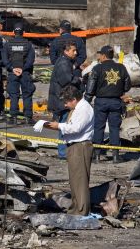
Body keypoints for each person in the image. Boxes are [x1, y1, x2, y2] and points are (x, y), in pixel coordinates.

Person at [43, 85, 94, 216]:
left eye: (66, 102)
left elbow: (75, 128)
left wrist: (57, 126)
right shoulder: (78, 108)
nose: (65, 105)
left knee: (80, 181)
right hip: (74, 146)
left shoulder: (84, 109)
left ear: (73, 99)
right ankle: (76, 208)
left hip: (80, 146)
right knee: (75, 180)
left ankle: (82, 211)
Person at [85, 46, 131, 163]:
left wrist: (86, 101)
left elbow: (90, 88)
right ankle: (115, 156)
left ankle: (97, 156)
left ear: (104, 56)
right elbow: (127, 85)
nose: (99, 57)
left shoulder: (97, 68)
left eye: (100, 55)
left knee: (98, 127)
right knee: (114, 128)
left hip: (101, 102)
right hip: (116, 101)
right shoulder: (121, 68)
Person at [48, 42, 81, 160]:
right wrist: (79, 80)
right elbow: (66, 80)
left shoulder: (66, 62)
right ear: (66, 51)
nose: (76, 53)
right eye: (73, 51)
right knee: (64, 126)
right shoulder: (63, 63)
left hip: (62, 98)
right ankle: (63, 153)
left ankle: (65, 151)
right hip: (61, 100)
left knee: (65, 125)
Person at [3, 22, 36, 125]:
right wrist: (23, 69)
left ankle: (13, 117)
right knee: (27, 94)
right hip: (25, 73)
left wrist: (12, 68)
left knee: (13, 95)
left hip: (12, 73)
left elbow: (4, 59)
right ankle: (28, 118)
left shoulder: (7, 44)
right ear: (24, 32)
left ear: (13, 32)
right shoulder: (28, 45)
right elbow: (31, 60)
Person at [49, 20, 86, 89]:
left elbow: (53, 59)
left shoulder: (55, 41)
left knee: (62, 94)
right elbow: (83, 55)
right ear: (70, 30)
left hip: (61, 73)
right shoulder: (78, 39)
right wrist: (75, 65)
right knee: (76, 94)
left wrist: (60, 66)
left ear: (61, 30)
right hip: (75, 72)